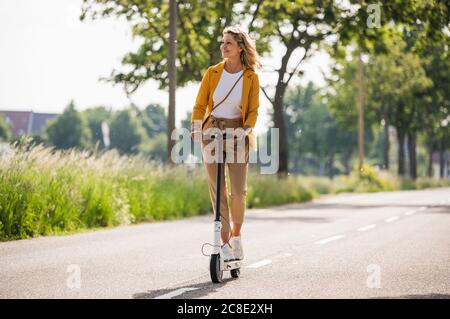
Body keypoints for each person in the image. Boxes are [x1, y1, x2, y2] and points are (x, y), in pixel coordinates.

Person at [190, 25, 261, 261]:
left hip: (238, 133)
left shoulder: (251, 77)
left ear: (240, 47)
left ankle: (237, 237)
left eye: (228, 42)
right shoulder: (212, 73)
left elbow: (253, 110)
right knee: (216, 190)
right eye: (222, 42)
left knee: (238, 191)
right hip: (213, 131)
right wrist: (196, 129)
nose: (223, 46)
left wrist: (246, 130)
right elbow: (200, 105)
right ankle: (224, 243)